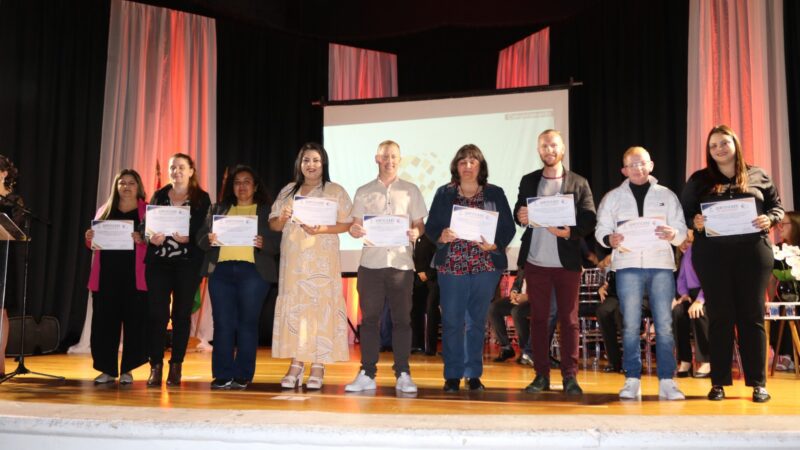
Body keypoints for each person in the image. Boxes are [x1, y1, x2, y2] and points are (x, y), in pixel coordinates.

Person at [681, 124, 783, 403]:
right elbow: (686, 213)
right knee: (720, 318)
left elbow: (777, 207)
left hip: (753, 255)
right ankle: (719, 382)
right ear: (708, 151)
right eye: (713, 145)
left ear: (735, 144)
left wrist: (770, 219)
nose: (719, 149)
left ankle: (758, 383)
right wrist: (695, 222)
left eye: (724, 143)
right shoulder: (699, 180)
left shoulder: (758, 174)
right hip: (713, 257)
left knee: (752, 318)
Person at [595, 146, 688, 400]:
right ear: (623, 169)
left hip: (660, 265)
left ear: (651, 165)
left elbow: (681, 227)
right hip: (627, 266)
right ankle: (632, 379)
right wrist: (608, 238)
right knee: (630, 324)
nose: (637, 168)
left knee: (665, 325)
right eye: (631, 164)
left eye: (642, 163)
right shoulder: (612, 198)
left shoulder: (667, 196)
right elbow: (600, 228)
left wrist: (674, 234)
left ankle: (667, 380)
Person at [425, 144, 515, 392]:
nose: (467, 166)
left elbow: (508, 228)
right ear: (456, 166)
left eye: (472, 161)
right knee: (453, 321)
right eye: (462, 161)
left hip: (485, 266)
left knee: (476, 322)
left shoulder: (495, 193)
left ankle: (473, 374)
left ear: (480, 166)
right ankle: (452, 374)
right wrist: (440, 236)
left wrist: (495, 244)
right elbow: (431, 227)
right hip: (452, 266)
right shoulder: (444, 193)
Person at [514, 129, 596, 395]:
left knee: (569, 321)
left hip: (567, 263)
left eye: (553, 145)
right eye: (544, 146)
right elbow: (519, 211)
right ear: (539, 150)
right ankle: (541, 375)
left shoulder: (579, 182)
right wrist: (521, 215)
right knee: (538, 320)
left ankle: (570, 376)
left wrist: (570, 231)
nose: (549, 150)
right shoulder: (528, 181)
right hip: (536, 262)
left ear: (562, 149)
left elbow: (589, 218)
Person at [344, 140, 427, 394]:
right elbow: (354, 225)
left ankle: (403, 372)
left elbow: (420, 224)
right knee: (369, 320)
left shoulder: (411, 190)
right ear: (377, 159)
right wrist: (355, 229)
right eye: (385, 156)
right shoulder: (363, 191)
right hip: (371, 264)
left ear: (399, 160)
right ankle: (367, 372)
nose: (389, 160)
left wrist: (416, 232)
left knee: (402, 320)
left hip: (401, 264)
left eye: (394, 156)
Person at [269, 142, 352, 390]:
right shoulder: (288, 191)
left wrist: (323, 229)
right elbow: (273, 225)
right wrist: (282, 217)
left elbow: (347, 223)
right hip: (294, 263)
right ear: (300, 164)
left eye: (315, 160)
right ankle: (297, 362)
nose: (311, 165)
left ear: (323, 163)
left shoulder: (335, 191)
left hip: (322, 261)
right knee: (297, 309)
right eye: (306, 160)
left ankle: (318, 363)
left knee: (320, 308)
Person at [198, 165, 281, 390]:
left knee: (247, 323)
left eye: (247, 182)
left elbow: (279, 242)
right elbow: (200, 239)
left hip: (254, 273)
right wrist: (210, 238)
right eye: (237, 182)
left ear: (255, 187)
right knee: (223, 324)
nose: (242, 186)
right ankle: (223, 374)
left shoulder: (266, 210)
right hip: (221, 272)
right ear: (231, 187)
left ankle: (243, 374)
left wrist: (266, 244)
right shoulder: (219, 208)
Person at [145, 153, 212, 387]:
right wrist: (150, 237)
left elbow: (207, 234)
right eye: (173, 167)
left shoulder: (202, 199)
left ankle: (176, 366)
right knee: (157, 316)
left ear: (191, 171)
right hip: (159, 264)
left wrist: (191, 238)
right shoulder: (160, 195)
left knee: (181, 316)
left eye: (182, 167)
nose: (177, 171)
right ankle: (155, 365)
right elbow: (146, 226)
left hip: (187, 265)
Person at [84, 169, 148, 384]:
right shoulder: (105, 209)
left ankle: (128, 370)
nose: (126, 187)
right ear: (116, 186)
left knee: (135, 324)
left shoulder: (146, 211)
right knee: (104, 324)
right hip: (106, 277)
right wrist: (89, 236)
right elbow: (92, 242)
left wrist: (143, 240)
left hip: (134, 277)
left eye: (131, 183)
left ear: (138, 186)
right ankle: (107, 369)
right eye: (122, 183)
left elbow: (156, 243)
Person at [672, 232, 711, 378]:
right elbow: (681, 279)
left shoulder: (704, 251)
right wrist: (684, 294)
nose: (684, 244)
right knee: (678, 312)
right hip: (691, 294)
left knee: (699, 313)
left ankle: (707, 360)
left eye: (688, 241)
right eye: (683, 241)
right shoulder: (686, 255)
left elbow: (710, 280)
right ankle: (685, 359)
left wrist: (700, 300)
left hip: (708, 294)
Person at [0, 155, 25, 378]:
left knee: (1, 311)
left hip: (3, 257)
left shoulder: (14, 200)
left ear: (4, 173)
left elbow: (15, 229)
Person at [772, 211, 800, 370]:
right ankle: (785, 355)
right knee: (778, 308)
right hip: (784, 297)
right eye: (779, 224)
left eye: (784, 224)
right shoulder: (777, 249)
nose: (779, 227)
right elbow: (772, 278)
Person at [411, 233, 440, 356]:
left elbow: (439, 254)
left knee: (431, 309)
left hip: (433, 278)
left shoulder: (430, 235)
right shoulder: (402, 235)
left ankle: (430, 348)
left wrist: (428, 273)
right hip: (415, 278)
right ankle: (417, 345)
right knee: (415, 310)